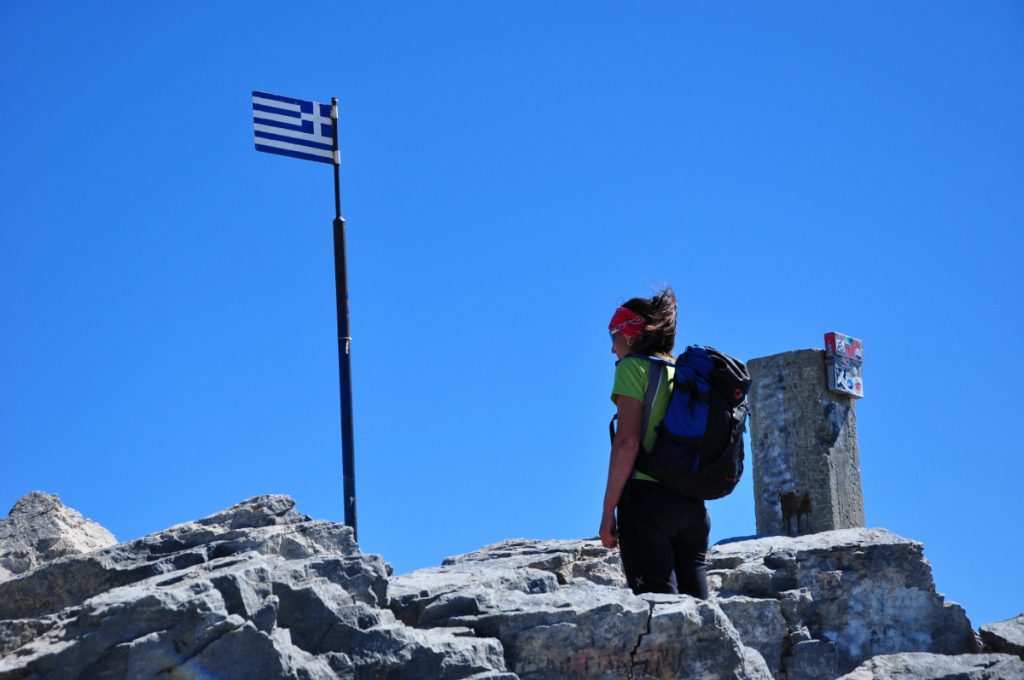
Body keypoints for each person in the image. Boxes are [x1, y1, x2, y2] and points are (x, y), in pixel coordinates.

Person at [599, 287, 710, 598]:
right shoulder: (685, 374)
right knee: (700, 614)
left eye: (613, 337)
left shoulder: (632, 368)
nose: (612, 349)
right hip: (692, 507)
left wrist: (609, 511)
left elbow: (628, 441)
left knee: (659, 615)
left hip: (647, 504)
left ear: (631, 336)